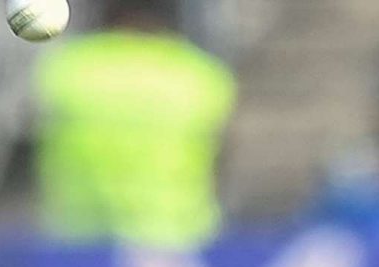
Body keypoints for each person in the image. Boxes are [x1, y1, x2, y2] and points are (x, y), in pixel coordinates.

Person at [32, 0, 236, 249]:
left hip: (81, 242)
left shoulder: (67, 69)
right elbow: (220, 162)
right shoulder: (201, 75)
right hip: (179, 244)